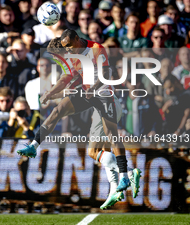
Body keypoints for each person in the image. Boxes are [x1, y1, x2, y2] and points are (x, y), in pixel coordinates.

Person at [17, 31, 140, 209]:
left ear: (76, 39)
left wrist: (90, 88)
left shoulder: (95, 49)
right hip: (90, 97)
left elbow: (106, 73)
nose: (67, 52)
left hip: (104, 97)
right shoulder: (72, 54)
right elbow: (70, 76)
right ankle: (34, 145)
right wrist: (52, 92)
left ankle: (127, 173)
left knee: (97, 149)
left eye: (69, 47)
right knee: (59, 110)